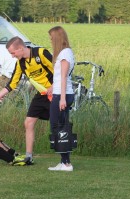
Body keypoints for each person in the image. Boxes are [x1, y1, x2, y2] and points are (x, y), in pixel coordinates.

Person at [0, 36, 54, 166]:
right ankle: (28, 157)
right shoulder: (20, 63)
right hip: (41, 94)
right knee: (28, 122)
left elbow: (61, 69)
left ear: (21, 48)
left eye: (13, 53)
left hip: (55, 93)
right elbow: (12, 83)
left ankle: (65, 159)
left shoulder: (41, 53)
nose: (12, 56)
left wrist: (54, 86)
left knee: (59, 124)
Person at [47, 26, 75, 171]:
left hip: (62, 95)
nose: (51, 41)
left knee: (58, 128)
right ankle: (64, 161)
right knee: (60, 127)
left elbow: (64, 77)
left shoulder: (64, 54)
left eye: (52, 38)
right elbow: (60, 77)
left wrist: (62, 98)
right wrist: (52, 87)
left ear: (57, 38)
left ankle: (66, 163)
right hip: (59, 92)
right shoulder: (65, 53)